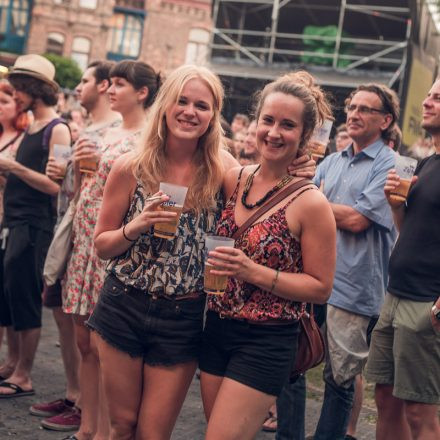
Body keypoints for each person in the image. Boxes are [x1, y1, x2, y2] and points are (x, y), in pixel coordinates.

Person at [88, 64, 314, 440]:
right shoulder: (131, 167)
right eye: (182, 101)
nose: (190, 111)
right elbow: (101, 246)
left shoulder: (222, 170)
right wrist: (136, 225)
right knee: (121, 427)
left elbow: (263, 186)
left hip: (183, 315)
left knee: (153, 433)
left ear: (213, 116)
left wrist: (297, 164)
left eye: (202, 105)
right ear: (164, 105)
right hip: (122, 305)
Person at [199, 70, 336, 440]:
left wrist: (252, 271)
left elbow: (321, 288)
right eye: (268, 120)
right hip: (216, 328)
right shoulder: (234, 179)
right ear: (256, 122)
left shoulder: (311, 203)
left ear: (304, 136)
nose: (274, 132)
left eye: (288, 125)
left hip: (266, 339)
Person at [61, 60, 160, 440]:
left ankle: (102, 432)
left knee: (105, 347)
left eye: (119, 84)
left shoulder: (147, 138)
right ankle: (86, 427)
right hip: (88, 241)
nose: (110, 89)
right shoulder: (110, 130)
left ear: (143, 93)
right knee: (83, 339)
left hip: (115, 248)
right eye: (110, 83)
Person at [29, 60, 120, 433]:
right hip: (72, 229)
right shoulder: (88, 128)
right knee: (67, 320)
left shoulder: (116, 132)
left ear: (104, 86)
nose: (78, 87)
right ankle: (75, 396)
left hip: (94, 239)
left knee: (87, 333)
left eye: (85, 80)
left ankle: (86, 407)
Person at [311, 83, 399, 440]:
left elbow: (358, 220)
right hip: (312, 278)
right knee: (292, 364)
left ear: (386, 120)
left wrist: (314, 207)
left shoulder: (391, 164)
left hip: (353, 286)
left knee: (340, 378)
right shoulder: (331, 161)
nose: (354, 114)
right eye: (352, 107)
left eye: (365, 109)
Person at [365, 78, 440, 440]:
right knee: (385, 399)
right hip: (394, 297)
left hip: (426, 302)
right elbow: (409, 231)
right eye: (429, 94)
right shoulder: (426, 165)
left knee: (419, 410)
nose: (427, 102)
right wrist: (397, 207)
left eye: (438, 97)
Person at [0, 54, 71, 397]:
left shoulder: (57, 129)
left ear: (33, 89)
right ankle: (13, 363)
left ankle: (24, 375)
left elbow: (55, 186)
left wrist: (12, 168)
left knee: (25, 296)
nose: (14, 95)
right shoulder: (32, 126)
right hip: (14, 221)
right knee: (9, 295)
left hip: (34, 224)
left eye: (19, 89)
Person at [0, 80, 28, 381]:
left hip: (9, 217)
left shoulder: (23, 139)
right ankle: (8, 360)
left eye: (5, 102)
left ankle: (17, 362)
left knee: (10, 292)